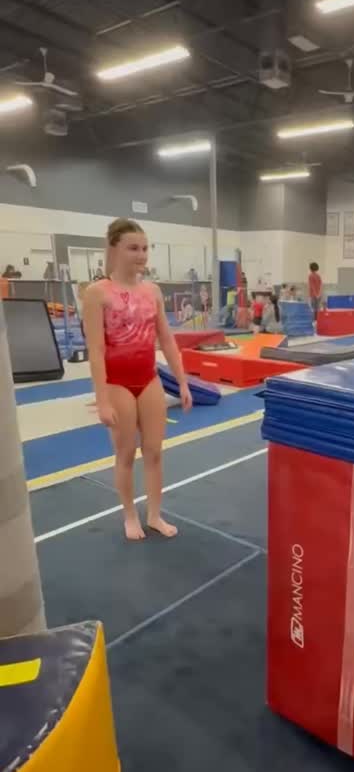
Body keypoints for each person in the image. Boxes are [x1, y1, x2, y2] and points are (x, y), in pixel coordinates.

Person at [83, 218, 192, 541]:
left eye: (145, 248)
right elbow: (96, 350)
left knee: (155, 450)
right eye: (133, 248)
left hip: (148, 378)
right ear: (114, 249)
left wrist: (183, 382)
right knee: (126, 453)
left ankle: (155, 515)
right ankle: (130, 515)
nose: (141, 255)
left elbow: (167, 339)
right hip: (117, 382)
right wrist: (102, 399)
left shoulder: (152, 291)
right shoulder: (97, 293)